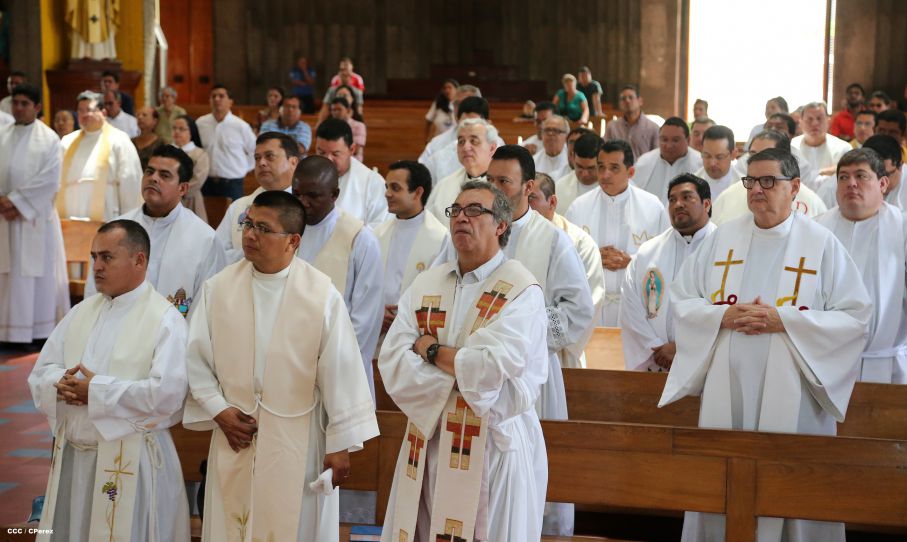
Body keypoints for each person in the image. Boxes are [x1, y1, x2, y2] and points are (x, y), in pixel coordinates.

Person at [659, 148, 872, 541]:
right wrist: (722, 316)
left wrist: (784, 320)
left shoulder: (820, 244)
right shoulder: (723, 237)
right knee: (725, 483)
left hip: (796, 392)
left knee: (790, 487)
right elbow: (683, 300)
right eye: (751, 181)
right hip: (729, 384)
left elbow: (855, 317)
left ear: (794, 188)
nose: (757, 190)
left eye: (768, 181)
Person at [183, 191, 378, 542]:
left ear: (293, 240)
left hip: (298, 442)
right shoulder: (219, 289)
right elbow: (196, 360)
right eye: (247, 224)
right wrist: (218, 410)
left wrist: (339, 444)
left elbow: (341, 370)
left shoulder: (320, 294)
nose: (249, 235)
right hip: (235, 434)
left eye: (262, 228)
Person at [435, 145, 594, 536]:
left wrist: (517, 328)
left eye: (503, 181)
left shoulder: (552, 240)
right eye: (490, 180)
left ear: (528, 188)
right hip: (462, 376)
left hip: (526, 381)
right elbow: (440, 293)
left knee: (522, 484)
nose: (494, 188)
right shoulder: (462, 232)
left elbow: (578, 315)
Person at [378, 180, 548, 542]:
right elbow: (392, 359)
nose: (461, 218)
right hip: (428, 440)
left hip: (491, 445)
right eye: (455, 211)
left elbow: (493, 366)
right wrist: (460, 374)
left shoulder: (521, 289)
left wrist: (430, 351)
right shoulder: (427, 284)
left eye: (474, 210)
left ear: (501, 226)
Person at [29, 219, 191, 541]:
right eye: (94, 258)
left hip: (131, 460)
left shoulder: (165, 319)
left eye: (107, 258)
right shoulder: (82, 312)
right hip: (74, 459)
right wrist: (60, 383)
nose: (97, 267)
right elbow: (41, 371)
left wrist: (96, 392)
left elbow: (167, 394)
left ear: (139, 260)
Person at [84, 145, 225, 317]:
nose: (153, 178)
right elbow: (95, 290)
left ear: (183, 188)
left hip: (177, 338)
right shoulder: (116, 229)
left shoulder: (205, 239)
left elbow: (208, 304)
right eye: (149, 172)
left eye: (164, 175)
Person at [291, 156, 384, 399]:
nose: (303, 202)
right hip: (289, 365)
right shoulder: (286, 230)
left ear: (334, 194)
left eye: (313, 195)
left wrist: (324, 362)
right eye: (297, 193)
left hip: (341, 371)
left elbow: (366, 320)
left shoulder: (360, 238)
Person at [817, 148, 907, 384]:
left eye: (861, 176)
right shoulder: (816, 230)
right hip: (825, 363)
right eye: (843, 177)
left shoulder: (902, 228)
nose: (851, 184)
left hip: (887, 366)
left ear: (883, 183)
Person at [565, 138, 670, 326]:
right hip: (591, 307)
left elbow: (666, 256)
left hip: (637, 306)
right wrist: (593, 257)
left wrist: (630, 260)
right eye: (601, 167)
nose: (605, 175)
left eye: (614, 168)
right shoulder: (578, 208)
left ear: (630, 172)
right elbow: (565, 259)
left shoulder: (653, 207)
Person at [620, 174, 716, 372]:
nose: (678, 204)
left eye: (687, 197)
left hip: (705, 362)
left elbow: (724, 309)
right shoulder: (648, 253)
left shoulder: (724, 250)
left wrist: (684, 349)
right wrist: (655, 346)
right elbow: (630, 305)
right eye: (672, 199)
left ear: (706, 204)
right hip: (655, 361)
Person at [0, 84, 69, 344]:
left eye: (24, 103)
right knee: (6, 273)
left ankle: (36, 331)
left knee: (34, 274)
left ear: (37, 107)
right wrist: (3, 201)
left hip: (34, 219)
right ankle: (6, 330)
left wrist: (16, 202)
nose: (18, 108)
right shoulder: (2, 134)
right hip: (4, 219)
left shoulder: (49, 139)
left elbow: (50, 181)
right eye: (15, 103)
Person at [529, 172, 605, 369]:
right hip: (518, 349)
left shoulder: (580, 242)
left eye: (532, 198)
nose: (525, 205)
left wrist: (541, 338)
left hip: (561, 352)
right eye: (522, 197)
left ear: (552, 202)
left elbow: (589, 301)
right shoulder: (512, 236)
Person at [374, 161, 449, 339]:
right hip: (377, 329)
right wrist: (376, 311)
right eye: (386, 187)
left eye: (395, 188)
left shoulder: (440, 238)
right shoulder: (377, 234)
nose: (387, 194)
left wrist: (402, 318)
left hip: (415, 334)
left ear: (418, 192)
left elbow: (440, 293)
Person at [215, 132, 301, 263]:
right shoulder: (239, 206)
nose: (261, 163)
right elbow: (216, 254)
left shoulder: (305, 206)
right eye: (257, 158)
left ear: (293, 162)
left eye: (269, 156)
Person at [58, 90, 142, 221]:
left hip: (106, 218)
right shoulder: (67, 142)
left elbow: (131, 183)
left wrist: (130, 221)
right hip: (70, 219)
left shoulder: (119, 140)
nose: (84, 114)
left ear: (103, 112)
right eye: (80, 110)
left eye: (89, 109)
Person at [716, 131, 827, 224]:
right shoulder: (728, 196)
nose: (757, 161)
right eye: (753, 154)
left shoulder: (812, 203)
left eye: (766, 155)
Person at [314, 118, 388, 227]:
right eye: (321, 152)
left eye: (335, 154)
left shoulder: (372, 182)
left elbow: (380, 226)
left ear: (352, 149)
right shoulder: (306, 174)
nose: (328, 159)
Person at [425, 117, 498, 222]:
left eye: (474, 141)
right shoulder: (444, 186)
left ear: (492, 148)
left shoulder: (504, 185)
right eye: (461, 141)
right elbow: (429, 225)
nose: (466, 147)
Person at [422, 96, 505, 183]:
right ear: (457, 121)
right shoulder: (439, 156)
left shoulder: (498, 146)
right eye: (465, 123)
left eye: (475, 123)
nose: (466, 147)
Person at [197, 85, 256, 202]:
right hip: (205, 182)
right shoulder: (200, 123)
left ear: (230, 102)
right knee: (206, 219)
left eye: (221, 96)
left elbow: (254, 151)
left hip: (232, 183)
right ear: (210, 101)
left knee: (233, 219)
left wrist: (243, 169)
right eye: (213, 96)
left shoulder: (241, 126)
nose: (217, 99)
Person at [632, 117, 704, 206]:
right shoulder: (644, 162)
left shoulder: (701, 164)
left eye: (675, 140)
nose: (669, 146)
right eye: (664, 140)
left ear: (688, 140)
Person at [418, 85, 482, 168]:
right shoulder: (436, 144)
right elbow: (421, 173)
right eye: (457, 104)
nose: (462, 109)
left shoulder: (494, 142)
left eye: (468, 103)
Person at [791, 101, 852, 178]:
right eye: (809, 119)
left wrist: (810, 174)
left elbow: (847, 171)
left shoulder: (843, 147)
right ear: (801, 122)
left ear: (828, 121)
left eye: (819, 118)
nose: (814, 123)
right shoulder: (791, 146)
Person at [605, 84, 660, 159]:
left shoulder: (653, 128)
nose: (627, 101)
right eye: (623, 98)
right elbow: (605, 153)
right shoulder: (612, 127)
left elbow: (657, 156)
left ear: (640, 101)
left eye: (631, 97)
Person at [172, 115, 211, 221]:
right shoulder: (166, 151)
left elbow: (197, 181)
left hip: (190, 200)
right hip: (166, 201)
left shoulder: (199, 154)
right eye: (174, 128)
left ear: (191, 132)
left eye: (181, 129)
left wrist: (172, 192)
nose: (177, 132)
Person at [555, 132, 601, 212]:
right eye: (579, 167)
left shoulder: (614, 189)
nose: (584, 174)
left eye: (591, 168)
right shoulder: (559, 187)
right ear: (573, 157)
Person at [693, 125, 737, 200]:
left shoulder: (745, 187)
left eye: (719, 157)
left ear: (733, 155)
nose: (712, 163)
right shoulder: (690, 183)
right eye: (707, 156)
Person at [863, 134, 906, 209]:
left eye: (883, 175)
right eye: (867, 176)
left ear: (900, 166)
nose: (877, 183)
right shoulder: (843, 182)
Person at [533, 115, 571, 180]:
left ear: (566, 136)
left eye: (556, 130)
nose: (550, 134)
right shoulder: (534, 161)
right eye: (547, 130)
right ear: (541, 134)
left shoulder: (572, 160)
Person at [329, 96, 366, 161]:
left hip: (354, 162)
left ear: (348, 110)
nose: (336, 112)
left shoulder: (359, 125)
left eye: (339, 109)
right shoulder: (329, 126)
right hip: (333, 162)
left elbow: (355, 150)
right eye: (333, 110)